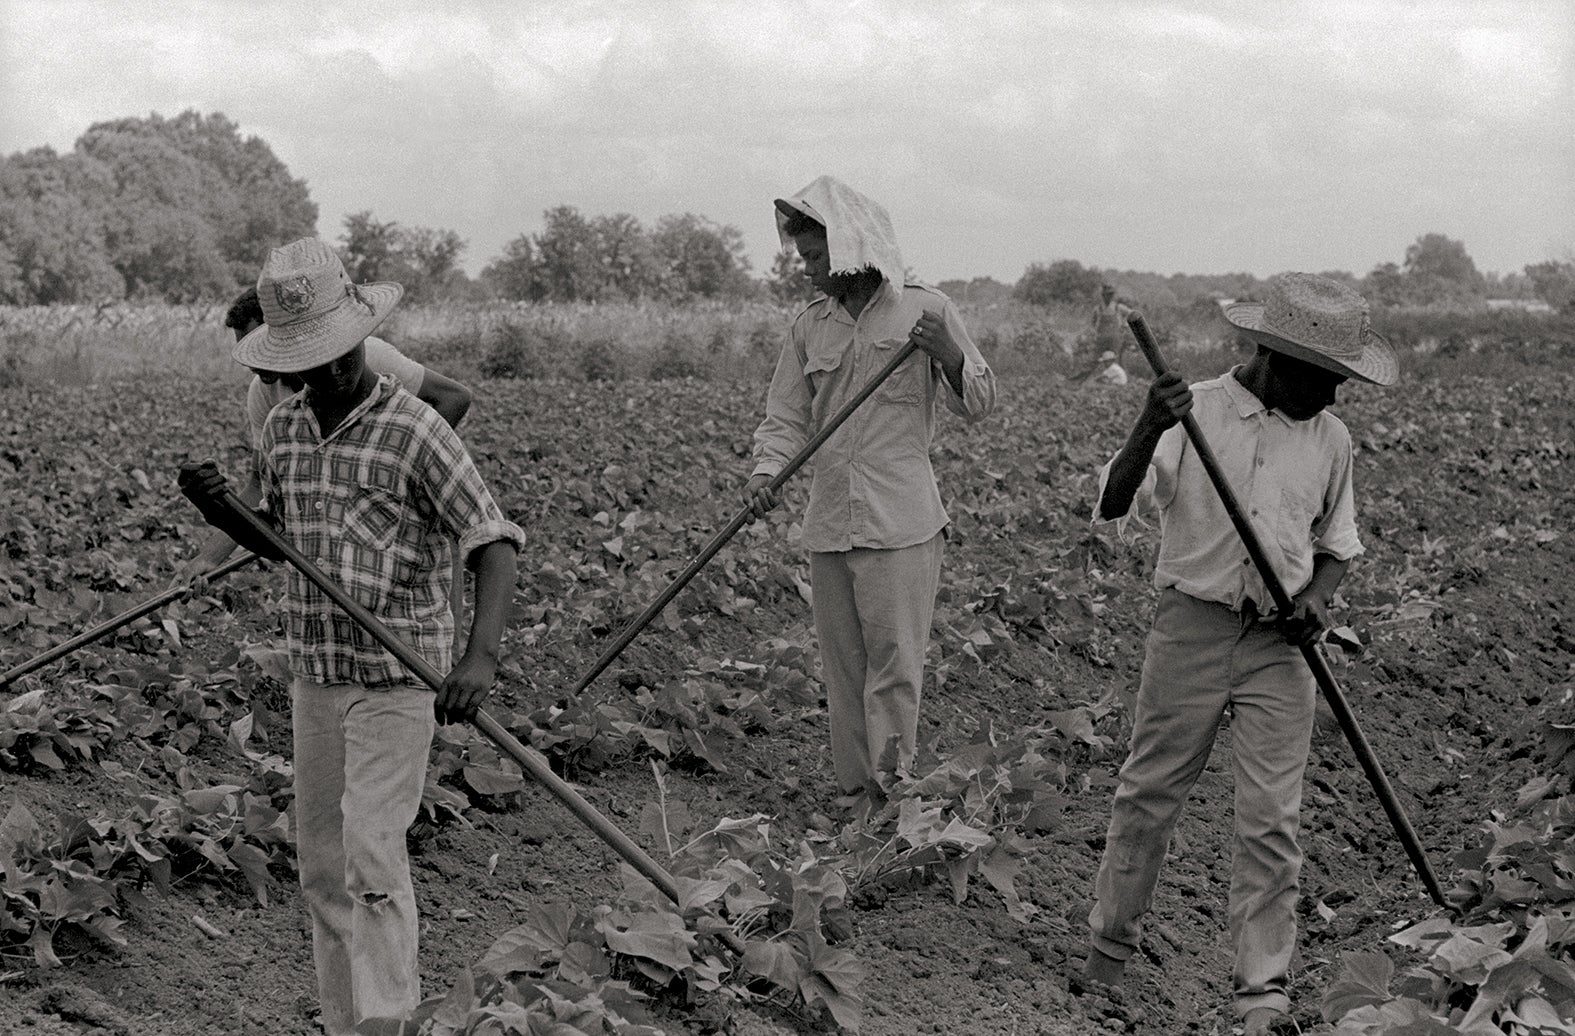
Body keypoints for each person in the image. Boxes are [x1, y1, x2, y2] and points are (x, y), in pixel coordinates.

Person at [177, 238, 523, 1036]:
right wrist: (221, 512)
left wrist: (480, 657)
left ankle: (387, 1022)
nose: (328, 372)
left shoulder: (416, 430)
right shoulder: (286, 428)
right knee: (325, 867)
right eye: (309, 360)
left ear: (364, 337)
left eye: (338, 354)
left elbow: (492, 541)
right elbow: (282, 541)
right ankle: (345, 1022)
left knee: (372, 856)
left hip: (398, 675)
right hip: (317, 674)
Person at [1078, 273, 1397, 1033]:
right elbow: (1113, 501)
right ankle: (1106, 956)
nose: (1333, 396)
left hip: (1278, 646)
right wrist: (1147, 425)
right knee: (1147, 798)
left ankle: (1261, 993)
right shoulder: (1195, 412)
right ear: (1271, 358)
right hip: (1190, 627)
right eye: (1324, 379)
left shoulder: (1330, 439)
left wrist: (1317, 600)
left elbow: (1337, 547)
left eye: (1341, 381)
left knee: (1270, 821)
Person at [745, 176, 996, 804]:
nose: (805, 271)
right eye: (801, 257)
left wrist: (950, 356)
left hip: (901, 522)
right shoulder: (809, 327)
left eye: (813, 257)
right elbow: (785, 416)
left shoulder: (926, 311)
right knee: (845, 671)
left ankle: (892, 795)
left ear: (851, 247)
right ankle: (856, 797)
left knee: (894, 669)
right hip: (830, 521)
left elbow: (983, 402)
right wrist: (765, 473)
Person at [170, 286, 473, 591]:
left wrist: (404, 463)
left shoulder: (365, 358)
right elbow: (258, 485)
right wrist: (209, 558)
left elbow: (454, 397)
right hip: (339, 530)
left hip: (400, 497)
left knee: (429, 571)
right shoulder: (266, 397)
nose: (251, 365)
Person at [1090, 282, 1134, 367]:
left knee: (1116, 360)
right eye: (1107, 294)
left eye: (1111, 294)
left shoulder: (1118, 307)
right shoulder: (1098, 309)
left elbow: (1132, 314)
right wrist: (1094, 333)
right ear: (1103, 295)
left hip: (1115, 338)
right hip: (1101, 338)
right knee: (1097, 360)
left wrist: (1125, 324)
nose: (1109, 296)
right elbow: (1093, 322)